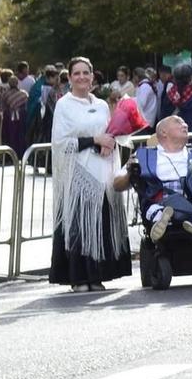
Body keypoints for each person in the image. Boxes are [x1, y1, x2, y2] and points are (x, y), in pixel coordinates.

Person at [48, 59, 131, 291]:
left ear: (93, 76)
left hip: (103, 175)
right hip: (78, 176)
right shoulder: (64, 105)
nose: (82, 77)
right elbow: (60, 142)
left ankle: (97, 276)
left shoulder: (102, 105)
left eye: (86, 73)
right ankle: (78, 278)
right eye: (77, 73)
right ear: (70, 77)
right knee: (80, 227)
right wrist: (94, 140)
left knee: (100, 226)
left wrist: (110, 142)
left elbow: (112, 133)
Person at [127, 116, 192, 246]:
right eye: (179, 122)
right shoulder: (143, 155)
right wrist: (129, 171)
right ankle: (163, 219)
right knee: (149, 203)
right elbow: (117, 183)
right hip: (162, 200)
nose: (185, 125)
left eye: (185, 122)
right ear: (163, 132)